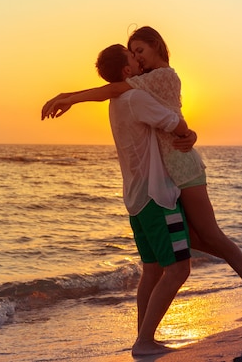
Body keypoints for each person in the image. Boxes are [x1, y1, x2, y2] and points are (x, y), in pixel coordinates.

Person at [42, 27, 242, 323]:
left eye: (140, 50)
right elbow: (118, 88)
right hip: (168, 170)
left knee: (210, 233)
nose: (138, 57)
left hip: (182, 165)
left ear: (156, 46)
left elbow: (114, 89)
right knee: (191, 237)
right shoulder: (140, 83)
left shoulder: (164, 76)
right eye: (133, 53)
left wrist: (70, 97)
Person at [85, 44, 194, 356]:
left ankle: (143, 338)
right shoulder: (135, 97)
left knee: (152, 270)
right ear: (126, 71)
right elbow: (176, 124)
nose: (138, 59)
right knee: (178, 269)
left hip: (135, 199)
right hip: (157, 197)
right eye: (133, 57)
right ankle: (144, 340)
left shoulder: (116, 101)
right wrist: (189, 130)